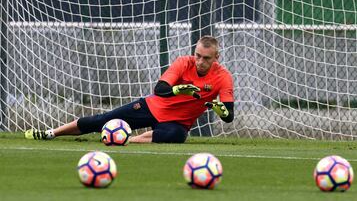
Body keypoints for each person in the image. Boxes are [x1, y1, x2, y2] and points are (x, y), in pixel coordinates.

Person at [24, 35, 234, 143]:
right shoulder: (183, 62)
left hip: (178, 123)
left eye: (206, 58)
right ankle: (50, 133)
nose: (200, 61)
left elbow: (228, 115)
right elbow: (160, 89)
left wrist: (220, 110)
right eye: (197, 55)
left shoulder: (223, 77)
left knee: (175, 137)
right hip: (151, 106)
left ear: (217, 57)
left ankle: (123, 140)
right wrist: (179, 90)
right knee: (99, 121)